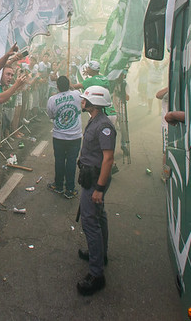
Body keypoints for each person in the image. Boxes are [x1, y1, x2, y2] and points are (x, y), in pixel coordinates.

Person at [76, 85, 117, 296]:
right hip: (90, 175)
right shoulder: (95, 119)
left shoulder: (104, 126)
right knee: (99, 217)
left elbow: (108, 159)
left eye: (85, 99)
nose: (82, 101)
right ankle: (100, 255)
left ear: (95, 103)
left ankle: (96, 274)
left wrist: (99, 189)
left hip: (95, 180)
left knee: (91, 222)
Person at [46, 76, 82, 199]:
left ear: (57, 87)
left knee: (59, 161)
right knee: (71, 162)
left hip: (59, 136)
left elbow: (50, 115)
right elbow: (82, 105)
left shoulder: (52, 99)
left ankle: (59, 186)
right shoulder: (77, 95)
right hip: (75, 136)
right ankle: (70, 189)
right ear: (69, 85)